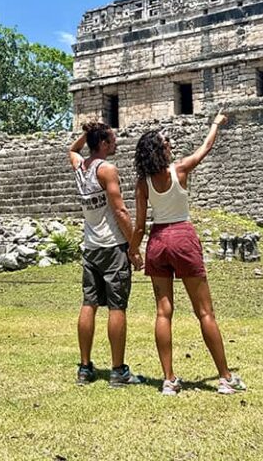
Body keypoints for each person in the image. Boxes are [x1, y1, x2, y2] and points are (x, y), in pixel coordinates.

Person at [133, 112, 247, 396]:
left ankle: (168, 379)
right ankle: (225, 377)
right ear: (160, 150)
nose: (170, 144)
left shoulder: (143, 182)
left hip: (158, 241)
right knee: (205, 312)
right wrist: (216, 124)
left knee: (163, 312)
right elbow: (205, 148)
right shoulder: (180, 170)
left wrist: (133, 251)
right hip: (182, 236)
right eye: (166, 142)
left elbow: (138, 224)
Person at [69, 122, 144, 388]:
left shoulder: (79, 165)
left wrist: (89, 132)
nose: (116, 144)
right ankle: (118, 371)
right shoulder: (107, 169)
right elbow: (121, 211)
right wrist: (134, 247)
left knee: (89, 303)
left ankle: (85, 367)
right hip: (112, 247)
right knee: (116, 306)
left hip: (90, 246)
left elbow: (73, 148)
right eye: (112, 139)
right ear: (103, 144)